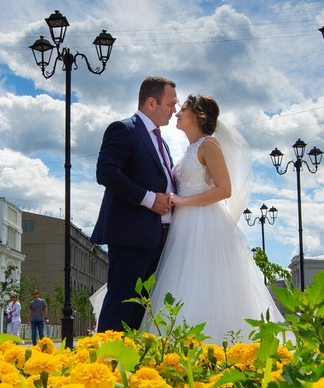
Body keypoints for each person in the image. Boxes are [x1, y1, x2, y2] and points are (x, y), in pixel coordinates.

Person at [144, 93, 275, 338]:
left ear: (198, 115)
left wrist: (183, 201)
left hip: (205, 225)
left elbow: (224, 189)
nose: (177, 113)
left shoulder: (209, 145)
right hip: (183, 227)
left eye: (183, 109)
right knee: (183, 286)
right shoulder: (188, 151)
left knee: (203, 284)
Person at [91, 75, 178, 332]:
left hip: (159, 238)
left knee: (142, 312)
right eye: (171, 104)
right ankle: (104, 365)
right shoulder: (124, 129)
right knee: (121, 306)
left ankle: (133, 367)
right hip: (132, 236)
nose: (174, 110)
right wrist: (150, 199)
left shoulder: (161, 141)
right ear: (152, 103)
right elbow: (106, 172)